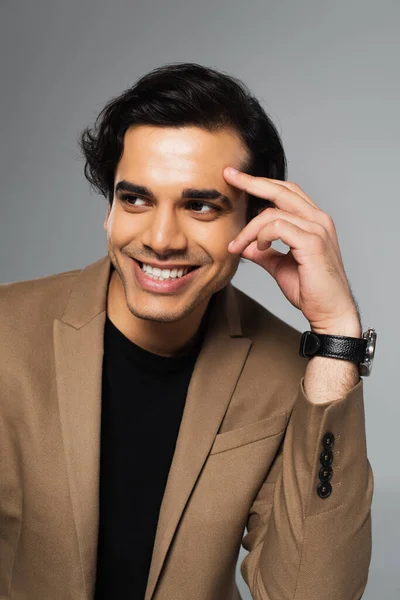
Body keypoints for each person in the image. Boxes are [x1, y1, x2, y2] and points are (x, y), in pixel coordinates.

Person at [0, 62, 375, 600]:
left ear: (253, 224)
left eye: (199, 205)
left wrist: (337, 334)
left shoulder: (292, 375)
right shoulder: (6, 334)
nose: (161, 238)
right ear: (109, 209)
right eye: (136, 199)